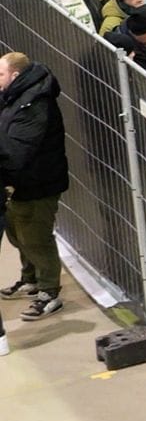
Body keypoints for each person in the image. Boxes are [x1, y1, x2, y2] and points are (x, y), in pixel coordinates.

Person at [0, 54, 70, 322]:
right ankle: (30, 278)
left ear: (15, 75)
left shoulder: (34, 104)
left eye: (1, 75)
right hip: (18, 181)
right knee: (16, 231)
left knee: (36, 237)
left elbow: (18, 151)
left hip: (38, 182)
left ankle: (49, 291)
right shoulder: (13, 96)